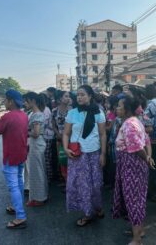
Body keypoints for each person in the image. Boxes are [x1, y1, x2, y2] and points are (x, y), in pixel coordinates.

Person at [112, 95, 155, 245]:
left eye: (119, 106)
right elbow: (147, 141)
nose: (116, 109)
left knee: (133, 200)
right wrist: (148, 158)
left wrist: (146, 158)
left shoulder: (130, 124)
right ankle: (139, 231)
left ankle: (137, 239)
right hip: (133, 164)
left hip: (132, 165)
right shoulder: (135, 121)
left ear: (127, 109)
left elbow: (137, 148)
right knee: (137, 199)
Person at [63, 85, 107, 226]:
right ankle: (87, 214)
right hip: (77, 155)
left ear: (90, 96)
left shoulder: (98, 112)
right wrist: (65, 148)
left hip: (93, 153)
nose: (79, 97)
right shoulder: (72, 113)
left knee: (96, 184)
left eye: (82, 94)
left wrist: (103, 154)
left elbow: (102, 134)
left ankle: (98, 207)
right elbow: (66, 133)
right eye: (78, 95)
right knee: (82, 185)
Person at [0, 89, 28, 229]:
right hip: (21, 153)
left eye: (5, 100)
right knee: (19, 181)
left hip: (10, 155)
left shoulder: (7, 117)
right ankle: (16, 206)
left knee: (13, 185)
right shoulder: (24, 115)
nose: (4, 102)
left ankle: (20, 216)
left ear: (11, 101)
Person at [23, 92, 48, 206]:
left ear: (33, 101)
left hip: (37, 143)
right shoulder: (34, 113)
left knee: (37, 171)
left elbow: (36, 133)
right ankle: (38, 197)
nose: (25, 103)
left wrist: (24, 132)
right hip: (36, 144)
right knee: (36, 171)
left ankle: (40, 198)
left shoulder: (36, 114)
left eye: (26, 101)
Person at [144, 84, 156, 202]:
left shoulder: (151, 104)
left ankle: (153, 191)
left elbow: (146, 118)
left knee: (152, 163)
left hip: (152, 136)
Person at [52, 91, 71, 186]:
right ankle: (65, 181)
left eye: (69, 96)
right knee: (62, 160)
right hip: (59, 139)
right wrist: (57, 133)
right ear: (60, 99)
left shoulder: (72, 110)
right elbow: (53, 124)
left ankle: (70, 183)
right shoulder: (54, 111)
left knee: (71, 160)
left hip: (71, 139)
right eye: (66, 96)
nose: (68, 98)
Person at [41, 93, 55, 182]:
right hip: (46, 135)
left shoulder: (46, 110)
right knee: (46, 157)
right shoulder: (44, 109)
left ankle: (48, 177)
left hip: (48, 135)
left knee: (46, 157)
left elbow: (45, 123)